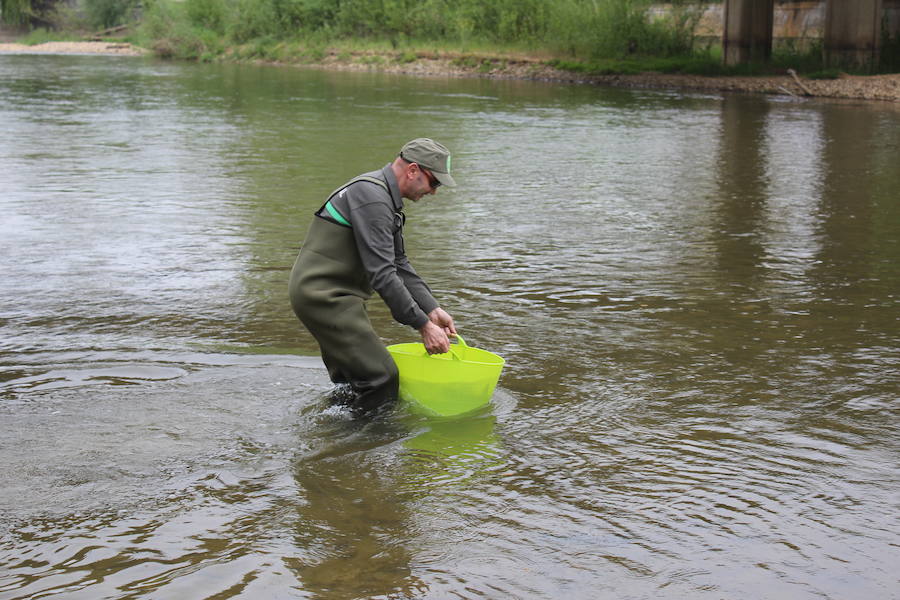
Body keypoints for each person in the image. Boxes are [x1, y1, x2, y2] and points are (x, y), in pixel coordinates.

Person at [289, 138, 458, 414]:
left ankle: (332, 431)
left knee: (354, 381)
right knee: (382, 378)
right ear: (413, 170)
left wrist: (431, 309)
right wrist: (423, 326)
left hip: (336, 296)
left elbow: (399, 263)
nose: (434, 192)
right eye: (434, 182)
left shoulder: (381, 196)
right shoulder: (372, 198)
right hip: (324, 297)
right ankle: (368, 438)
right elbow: (382, 274)